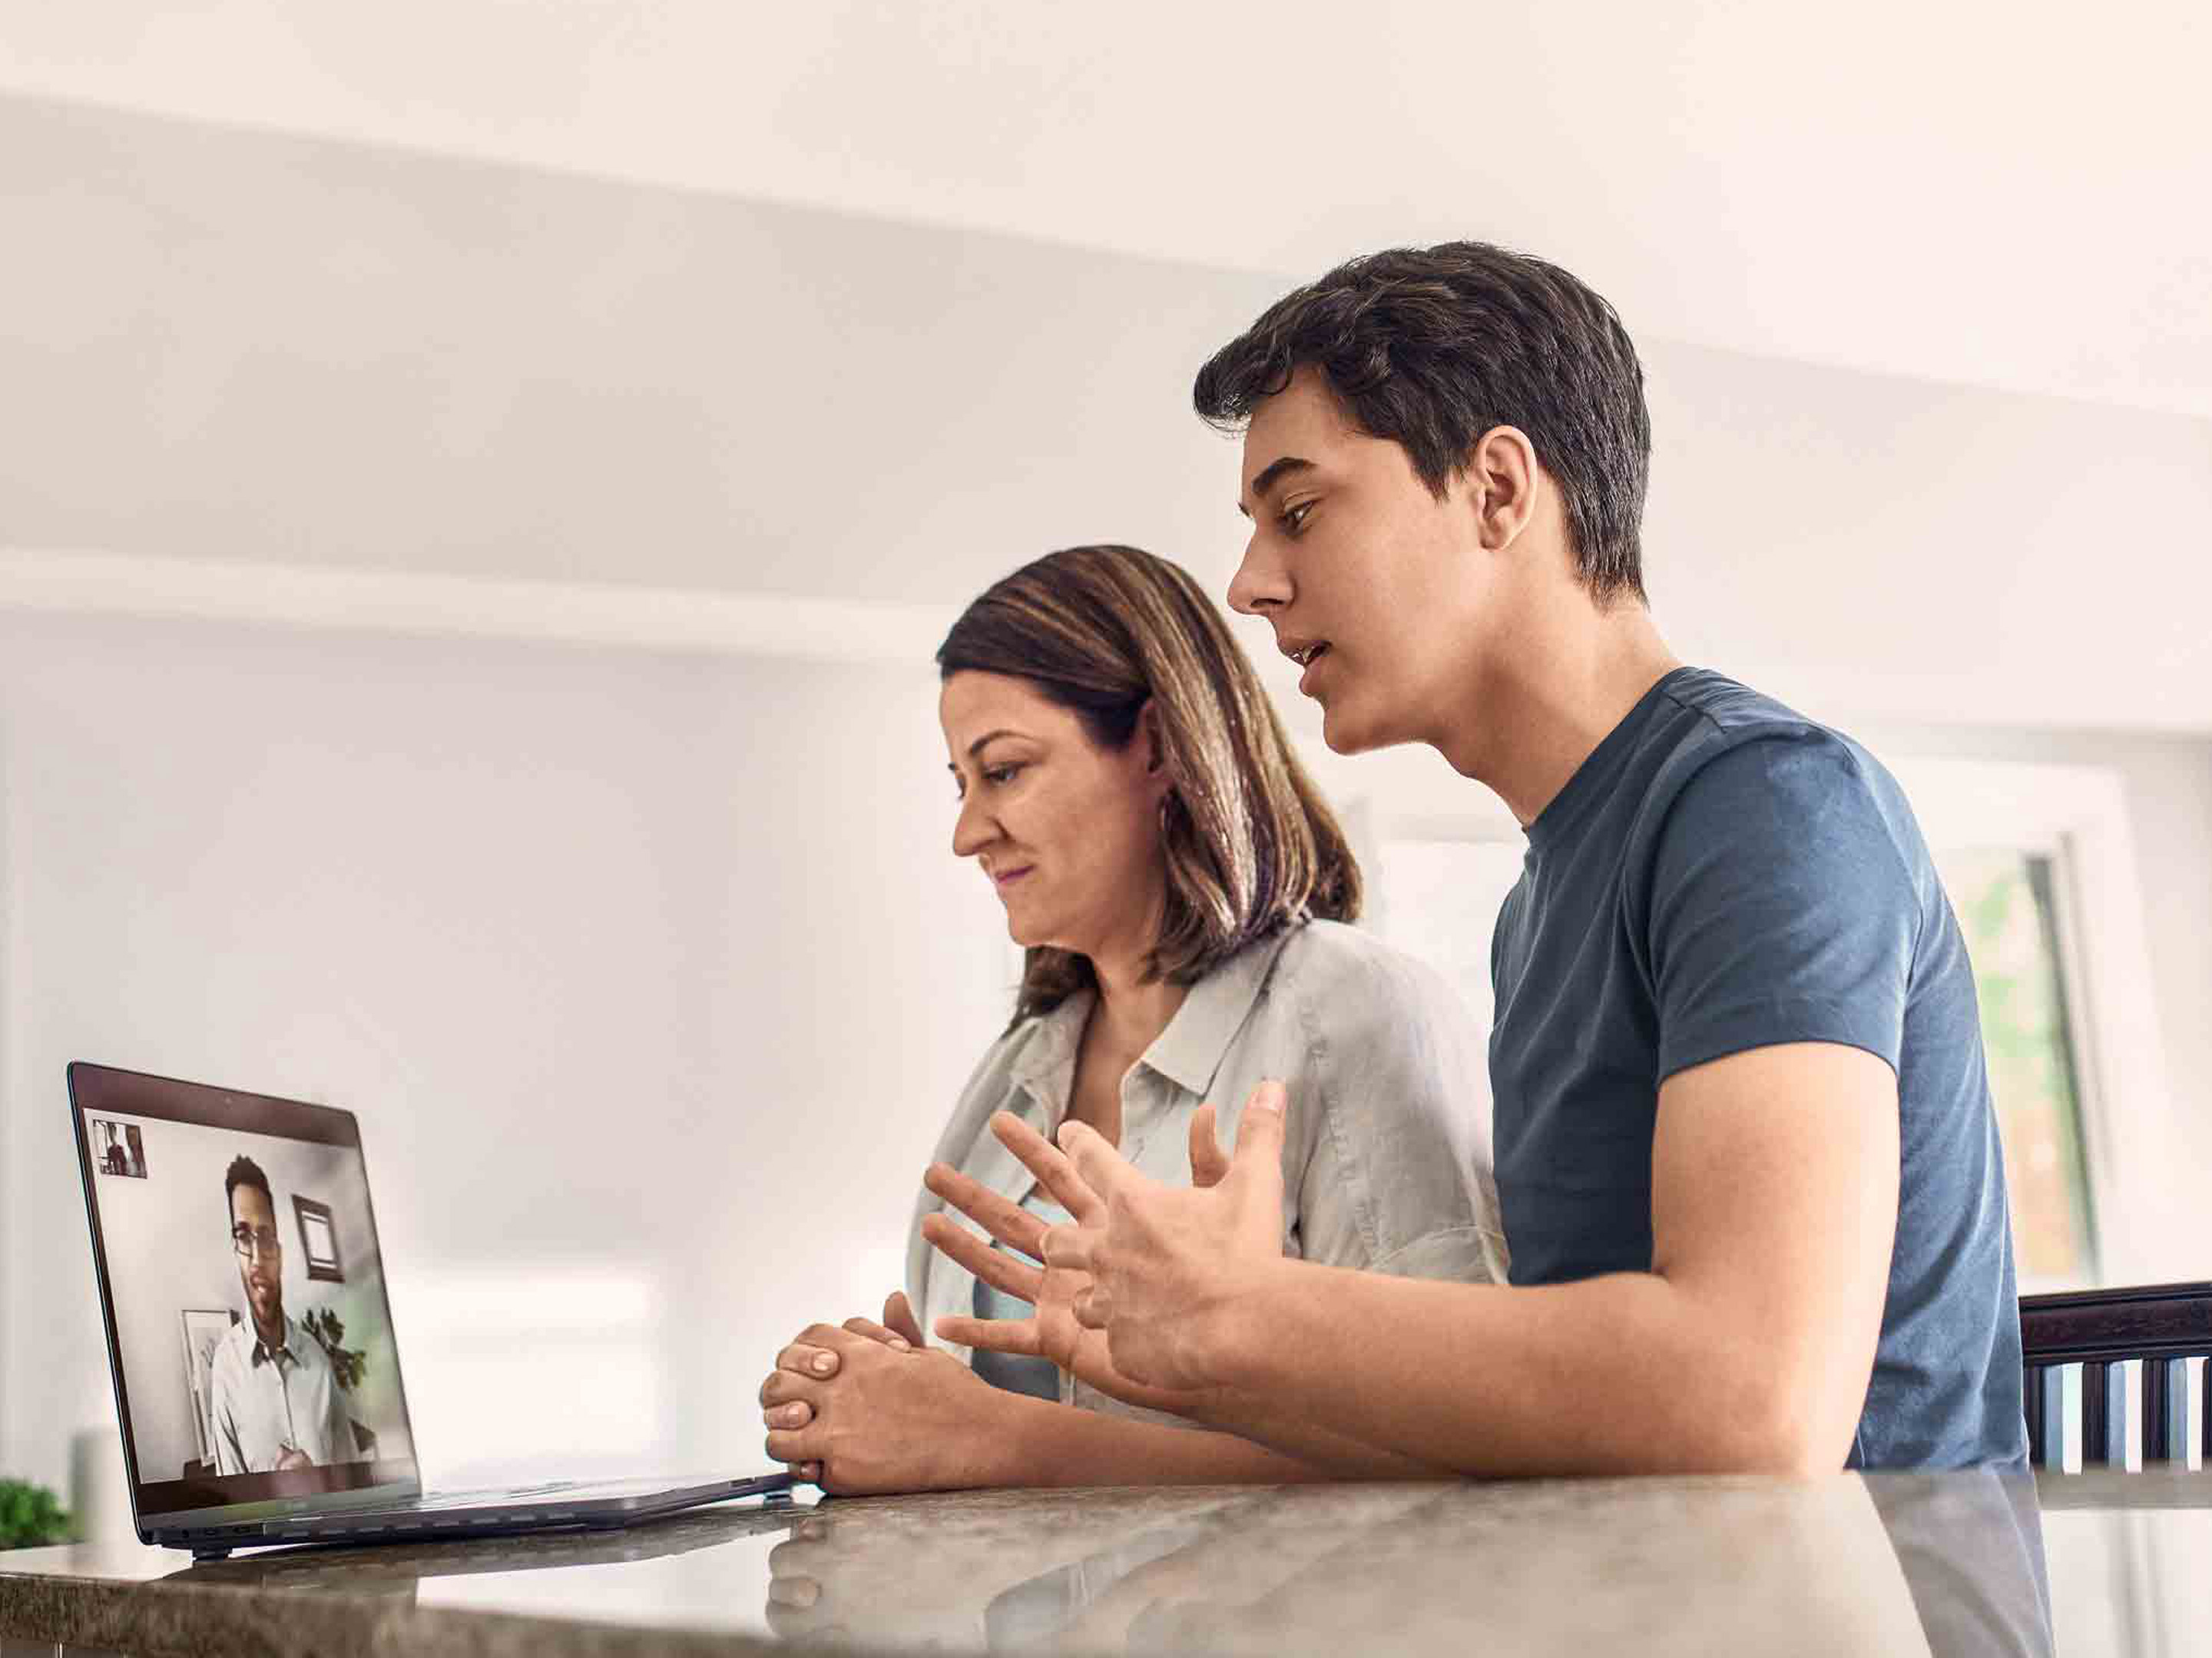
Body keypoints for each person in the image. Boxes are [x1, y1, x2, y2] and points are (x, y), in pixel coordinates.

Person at [929, 243, 2025, 1475]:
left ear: (1499, 491)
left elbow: (1750, 1408)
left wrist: (1242, 1317)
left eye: (1299, 511)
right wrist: (1178, 1357)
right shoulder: (1541, 904)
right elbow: (1534, 1413)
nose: (1247, 585)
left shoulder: (1765, 807)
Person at [755, 544, 1507, 1492]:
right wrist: (890, 1394)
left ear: (1154, 747)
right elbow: (979, 1412)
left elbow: (1456, 1446)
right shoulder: (1021, 1064)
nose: (966, 831)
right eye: (960, 783)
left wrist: (994, 1440)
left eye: (1005, 771)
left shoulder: (1356, 1018)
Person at [206, 1156, 359, 1476]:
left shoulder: (318, 1358)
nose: (258, 1258)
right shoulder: (225, 1367)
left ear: (281, 1253)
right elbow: (232, 1506)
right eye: (244, 1236)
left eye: (266, 1237)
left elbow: (351, 1481)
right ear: (234, 1251)